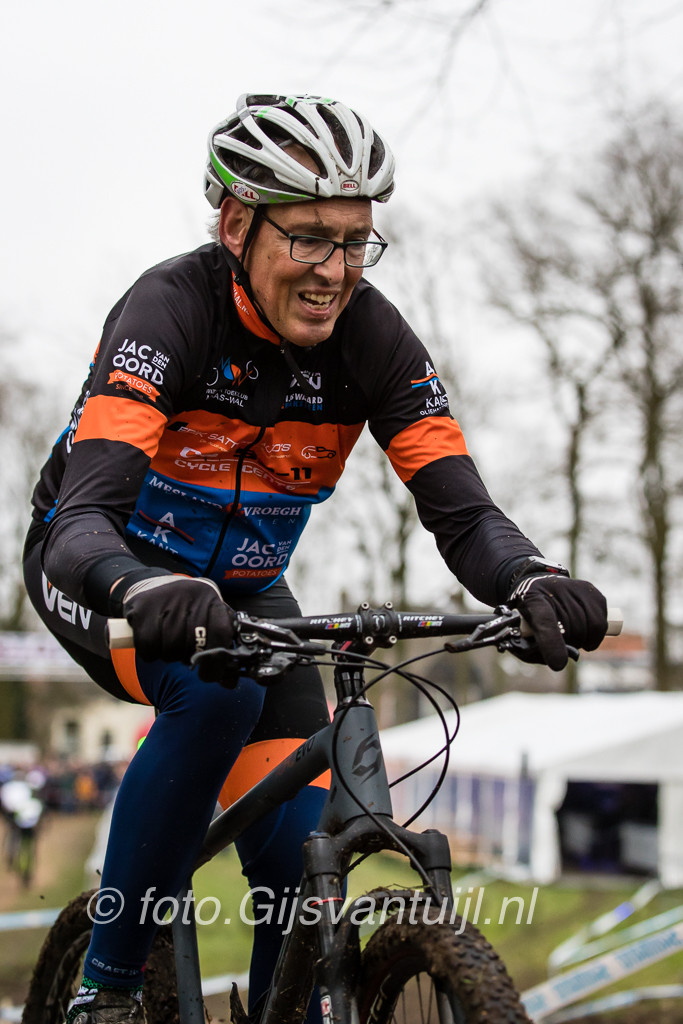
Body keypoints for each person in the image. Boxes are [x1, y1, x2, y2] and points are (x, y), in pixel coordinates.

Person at [23, 93, 608, 1024]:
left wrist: (531, 578)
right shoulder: (168, 311)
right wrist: (142, 582)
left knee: (300, 864)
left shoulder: (374, 339)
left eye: (355, 242)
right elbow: (81, 518)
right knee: (216, 694)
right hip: (107, 569)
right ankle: (109, 987)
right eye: (308, 238)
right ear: (235, 224)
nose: (334, 271)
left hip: (247, 593)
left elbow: (463, 513)